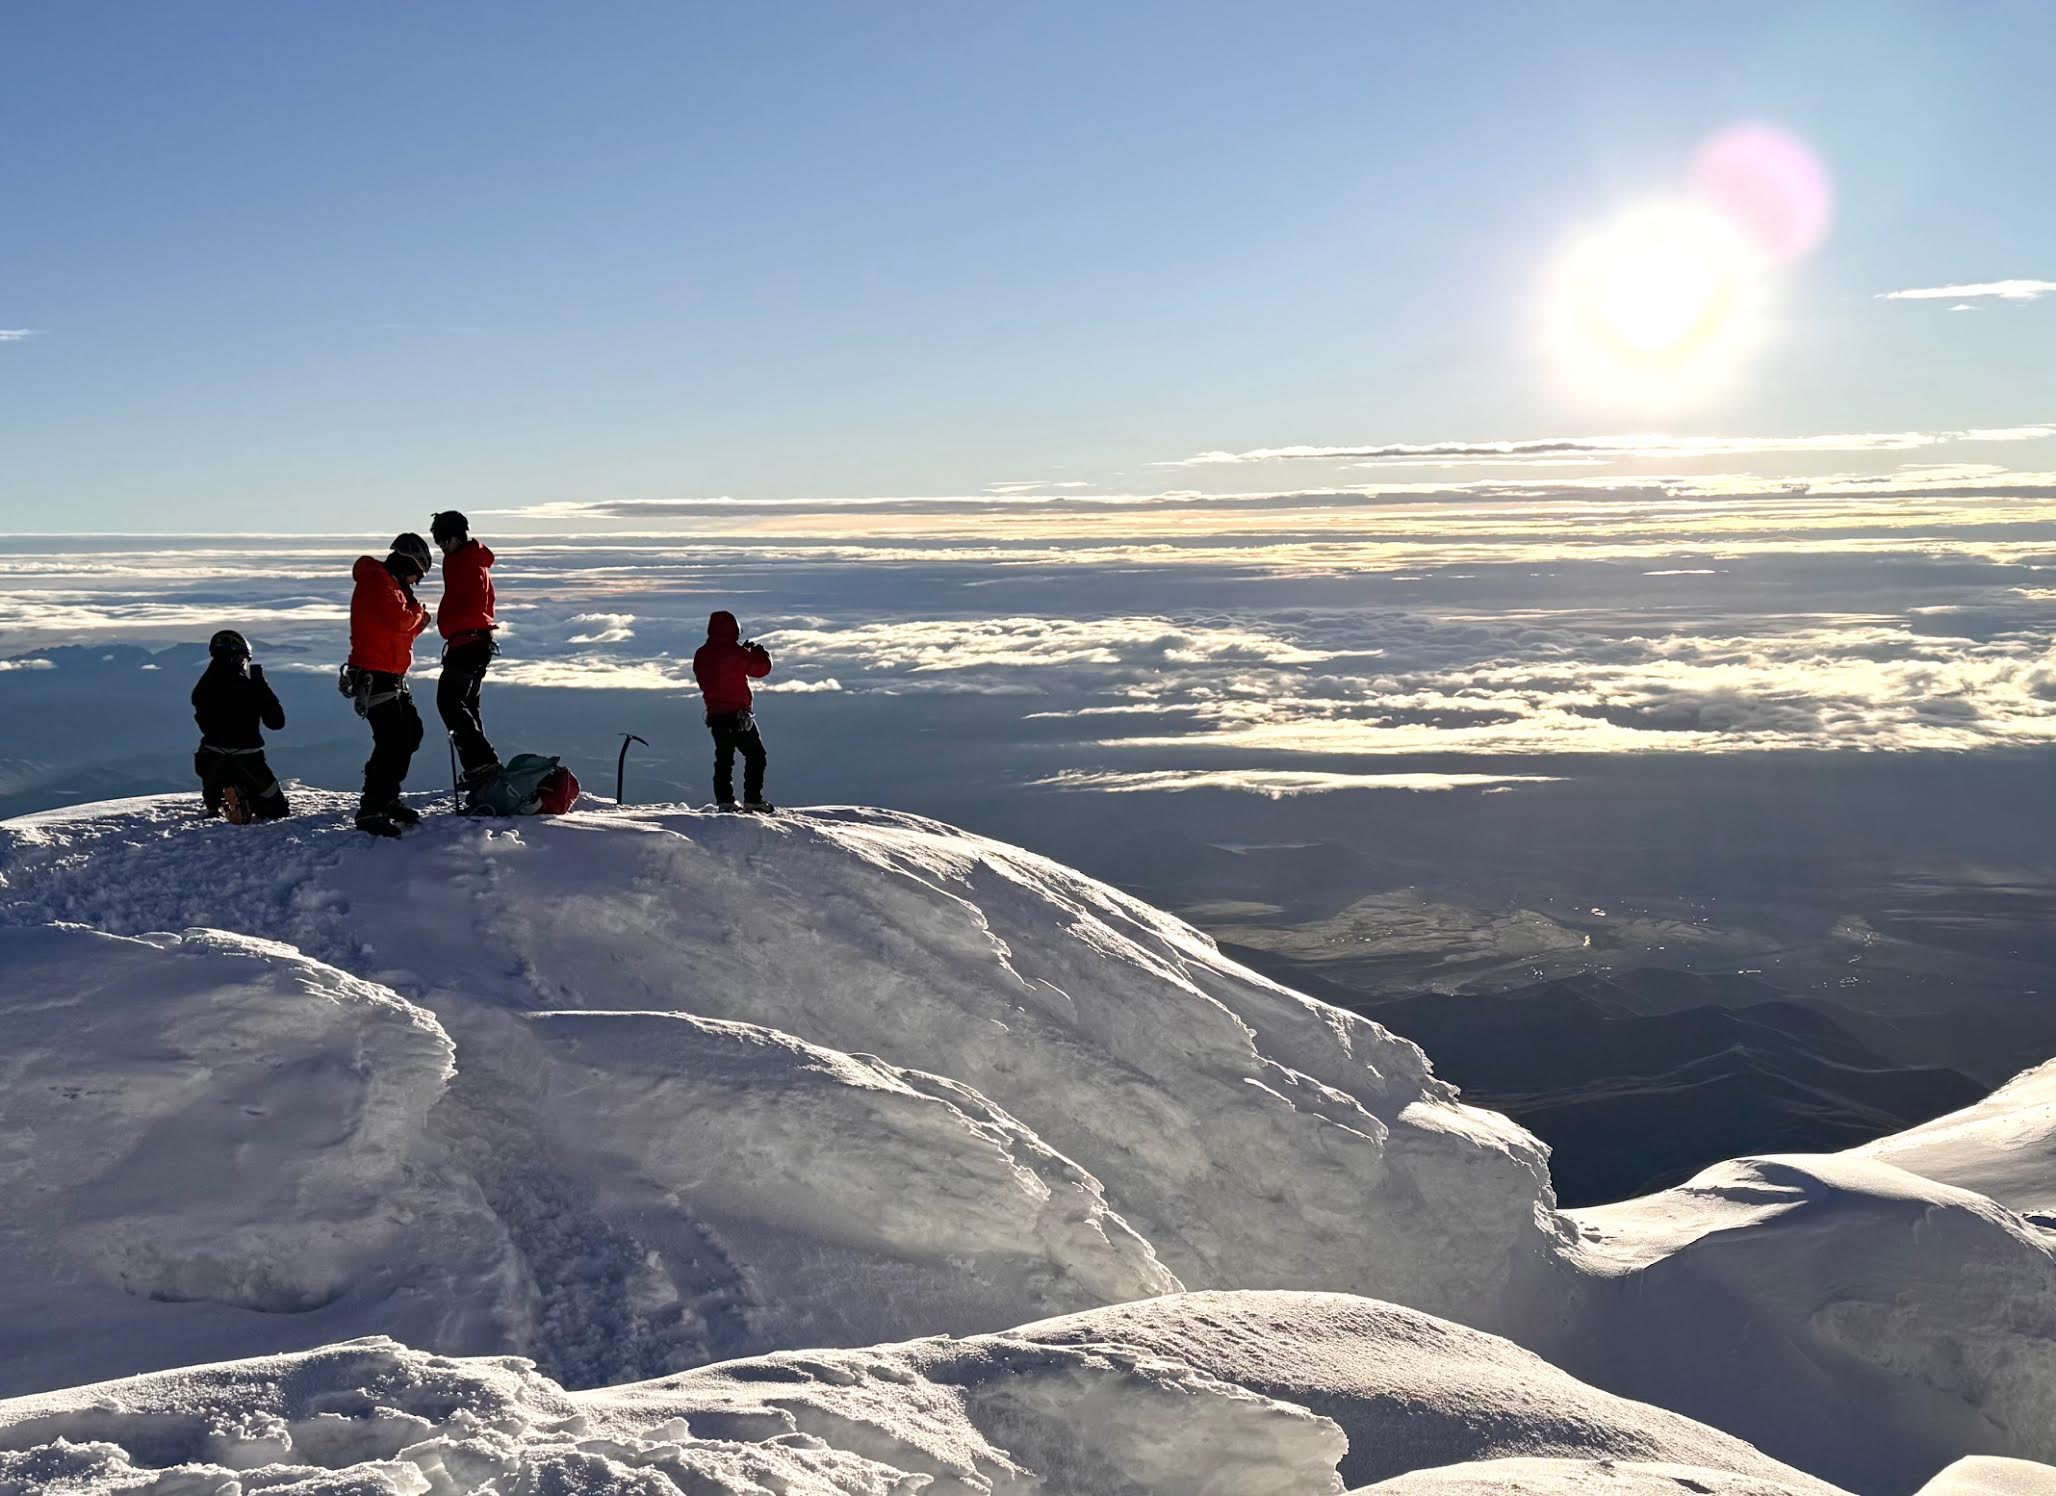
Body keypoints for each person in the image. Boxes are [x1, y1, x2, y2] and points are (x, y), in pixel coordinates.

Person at [345, 532, 433, 837]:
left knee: (409, 734)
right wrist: (417, 612)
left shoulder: (390, 587)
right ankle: (372, 809)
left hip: (389, 676)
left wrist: (415, 622)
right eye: (416, 574)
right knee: (393, 741)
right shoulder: (376, 582)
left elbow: (397, 634)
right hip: (375, 676)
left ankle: (386, 797)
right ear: (407, 562)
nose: (415, 582)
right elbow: (398, 622)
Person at [430, 510, 501, 791]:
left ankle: (483, 763)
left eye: (444, 540)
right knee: (466, 705)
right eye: (439, 542)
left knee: (449, 701)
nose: (442, 547)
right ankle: (480, 769)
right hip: (474, 642)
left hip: (468, 642)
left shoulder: (465, 561)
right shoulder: (470, 559)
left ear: (458, 536)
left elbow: (467, 603)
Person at [192, 629, 290, 822]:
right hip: (248, 758)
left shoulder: (202, 689)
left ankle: (217, 799)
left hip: (212, 757)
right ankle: (245, 797)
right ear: (239, 658)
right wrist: (262, 685)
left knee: (213, 767)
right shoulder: (250, 687)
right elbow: (276, 722)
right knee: (278, 810)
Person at [691, 610, 773, 811]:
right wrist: (759, 653)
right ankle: (753, 799)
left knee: (724, 758)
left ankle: (725, 801)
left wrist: (740, 653)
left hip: (715, 714)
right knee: (756, 755)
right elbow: (761, 669)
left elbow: (717, 669)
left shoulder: (702, 654)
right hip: (738, 715)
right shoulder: (735, 653)